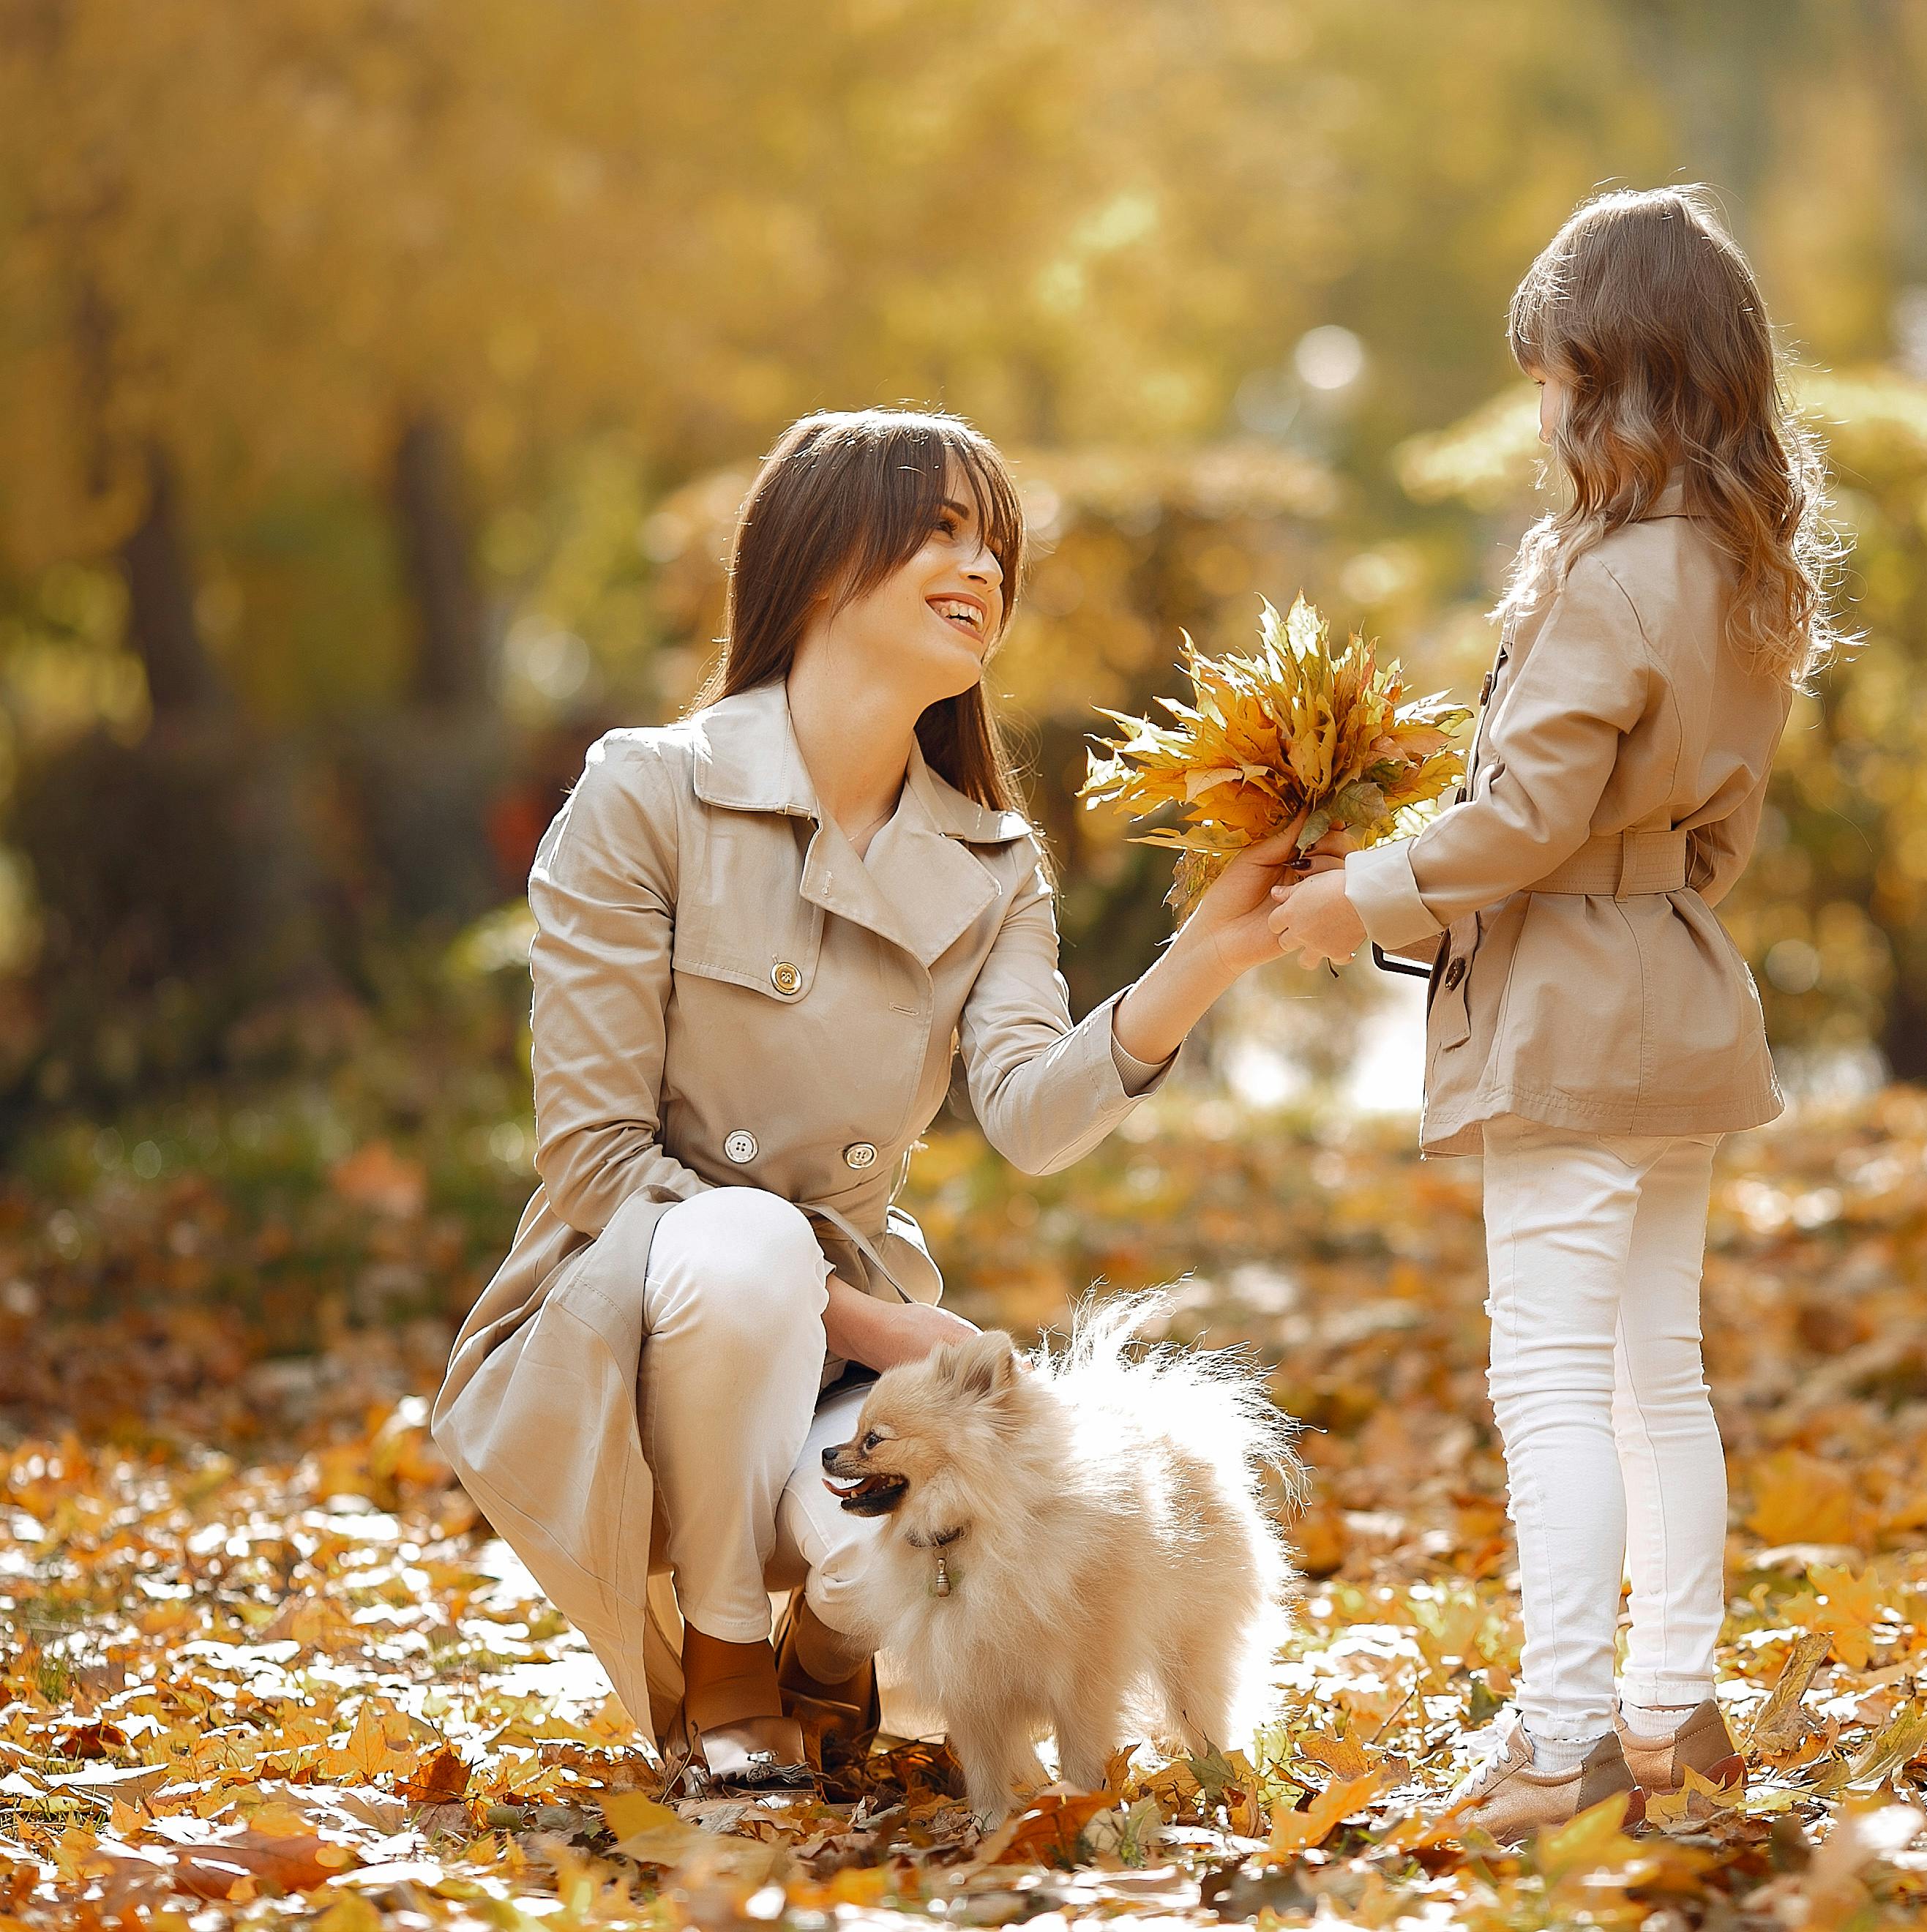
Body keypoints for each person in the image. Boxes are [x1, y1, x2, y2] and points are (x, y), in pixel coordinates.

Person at [433, 409, 1302, 1787]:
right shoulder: (647, 794)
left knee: (934, 1515)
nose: (986, 571)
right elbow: (593, 1156)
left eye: (996, 546)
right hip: (630, 1324)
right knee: (748, 1244)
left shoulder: (993, 862)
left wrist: (1206, 959)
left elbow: (1030, 1112)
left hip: (840, 1362)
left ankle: (831, 1646)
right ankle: (724, 1649)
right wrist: (874, 1316)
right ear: (824, 560)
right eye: (943, 530)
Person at [1269, 186, 1845, 1839]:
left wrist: (1354, 895)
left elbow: (1520, 818)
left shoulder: (1607, 581)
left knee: (1550, 1385)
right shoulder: (1742, 572)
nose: (1539, 413)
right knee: (1657, 1371)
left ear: (1622, 380)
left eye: (1555, 378)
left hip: (1575, 1014)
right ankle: (1674, 1710)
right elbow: (1708, 828)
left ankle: (1562, 1734)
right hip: (1678, 988)